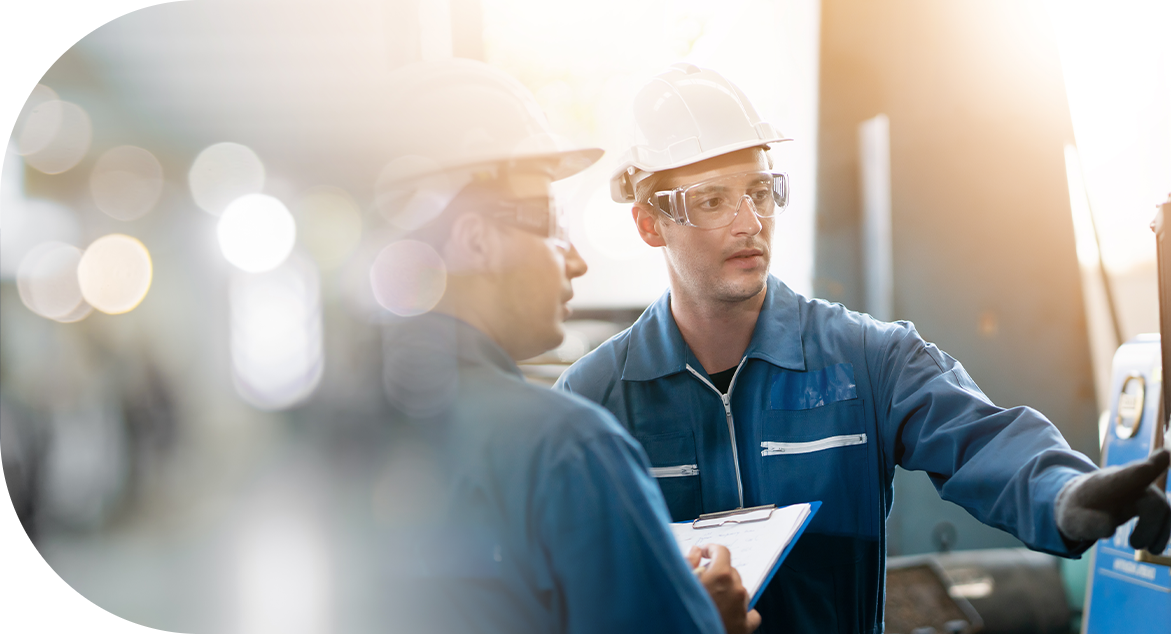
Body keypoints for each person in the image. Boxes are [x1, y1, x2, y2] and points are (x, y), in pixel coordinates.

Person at [554, 63, 1171, 633]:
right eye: (712, 200)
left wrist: (1063, 493)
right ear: (648, 223)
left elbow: (982, 438)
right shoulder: (594, 402)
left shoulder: (868, 360)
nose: (748, 222)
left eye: (761, 192)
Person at [376, 59, 759, 634]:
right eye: (552, 223)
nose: (576, 260)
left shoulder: (332, 437)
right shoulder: (569, 448)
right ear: (476, 241)